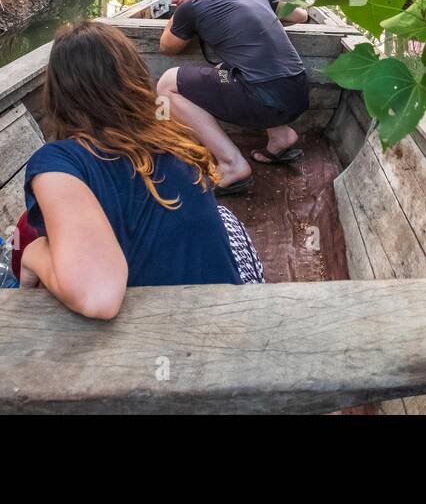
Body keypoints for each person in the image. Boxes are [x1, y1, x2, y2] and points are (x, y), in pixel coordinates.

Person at [15, 20, 262, 319]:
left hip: (153, 346)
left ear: (58, 96)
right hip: (230, 320)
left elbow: (98, 297)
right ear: (133, 77)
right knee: (225, 218)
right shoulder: (174, 137)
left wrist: (33, 254)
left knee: (32, 239)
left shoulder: (56, 161)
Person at [154, 0, 310, 195]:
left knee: (167, 83)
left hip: (261, 98)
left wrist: (179, 14)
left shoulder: (191, 7)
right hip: (299, 92)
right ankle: (281, 136)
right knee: (225, 69)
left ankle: (231, 164)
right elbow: (301, 14)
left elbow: (167, 46)